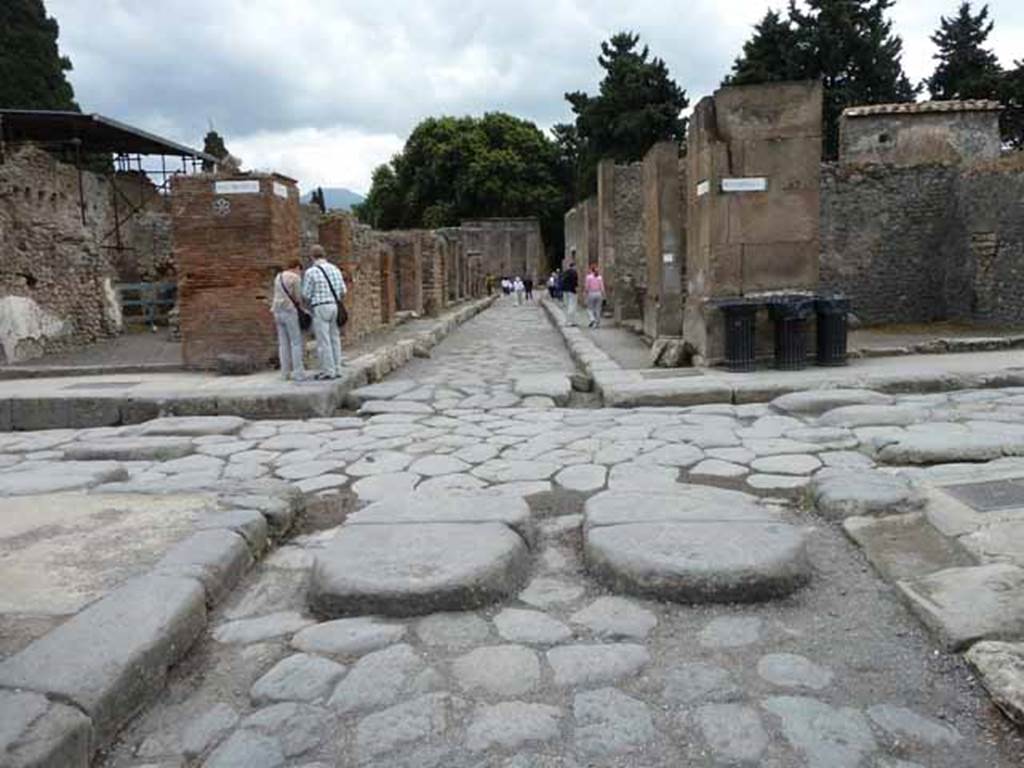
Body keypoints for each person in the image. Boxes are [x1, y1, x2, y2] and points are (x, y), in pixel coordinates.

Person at [301, 244, 347, 380]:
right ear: (324, 255)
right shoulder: (335, 269)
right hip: (334, 306)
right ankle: (338, 368)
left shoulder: (311, 271)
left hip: (320, 306)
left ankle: (328, 370)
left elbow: (306, 294)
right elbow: (343, 290)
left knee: (323, 340)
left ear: (312, 256)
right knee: (335, 338)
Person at [270, 258, 306, 381]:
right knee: (296, 342)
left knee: (283, 343)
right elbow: (298, 297)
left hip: (277, 311)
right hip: (289, 311)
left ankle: (284, 373)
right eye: (300, 270)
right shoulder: (295, 278)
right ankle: (298, 372)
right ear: (297, 267)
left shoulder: (278, 277)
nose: (300, 273)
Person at [585, 263, 606, 328]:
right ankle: (597, 323)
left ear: (591, 269)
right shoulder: (600, 277)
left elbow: (587, 287)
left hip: (591, 293)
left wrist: (585, 294)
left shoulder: (588, 277)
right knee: (598, 309)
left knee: (589, 308)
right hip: (599, 293)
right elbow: (602, 287)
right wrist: (604, 295)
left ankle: (592, 319)